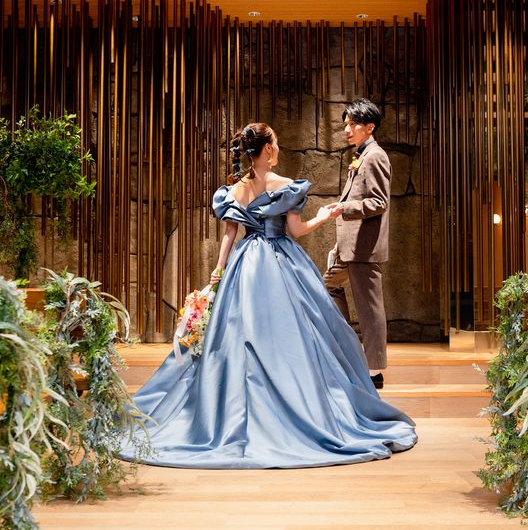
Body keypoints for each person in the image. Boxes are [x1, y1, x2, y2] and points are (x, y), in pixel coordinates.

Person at [119, 122, 416, 469]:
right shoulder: (287, 186)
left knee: (238, 333)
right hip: (280, 262)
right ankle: (296, 399)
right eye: (276, 143)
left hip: (245, 264)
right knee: (294, 334)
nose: (278, 148)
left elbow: (230, 234)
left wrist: (218, 272)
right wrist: (322, 217)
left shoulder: (234, 190)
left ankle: (231, 406)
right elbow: (296, 231)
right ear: (270, 149)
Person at [324, 99, 391, 390]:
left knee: (370, 308)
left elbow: (379, 202)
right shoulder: (361, 155)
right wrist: (340, 240)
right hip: (349, 246)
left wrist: (344, 208)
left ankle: (374, 371)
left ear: (370, 127)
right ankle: (350, 349)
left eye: (353, 124)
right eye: (346, 124)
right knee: (328, 287)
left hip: (364, 247)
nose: (347, 130)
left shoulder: (375, 156)